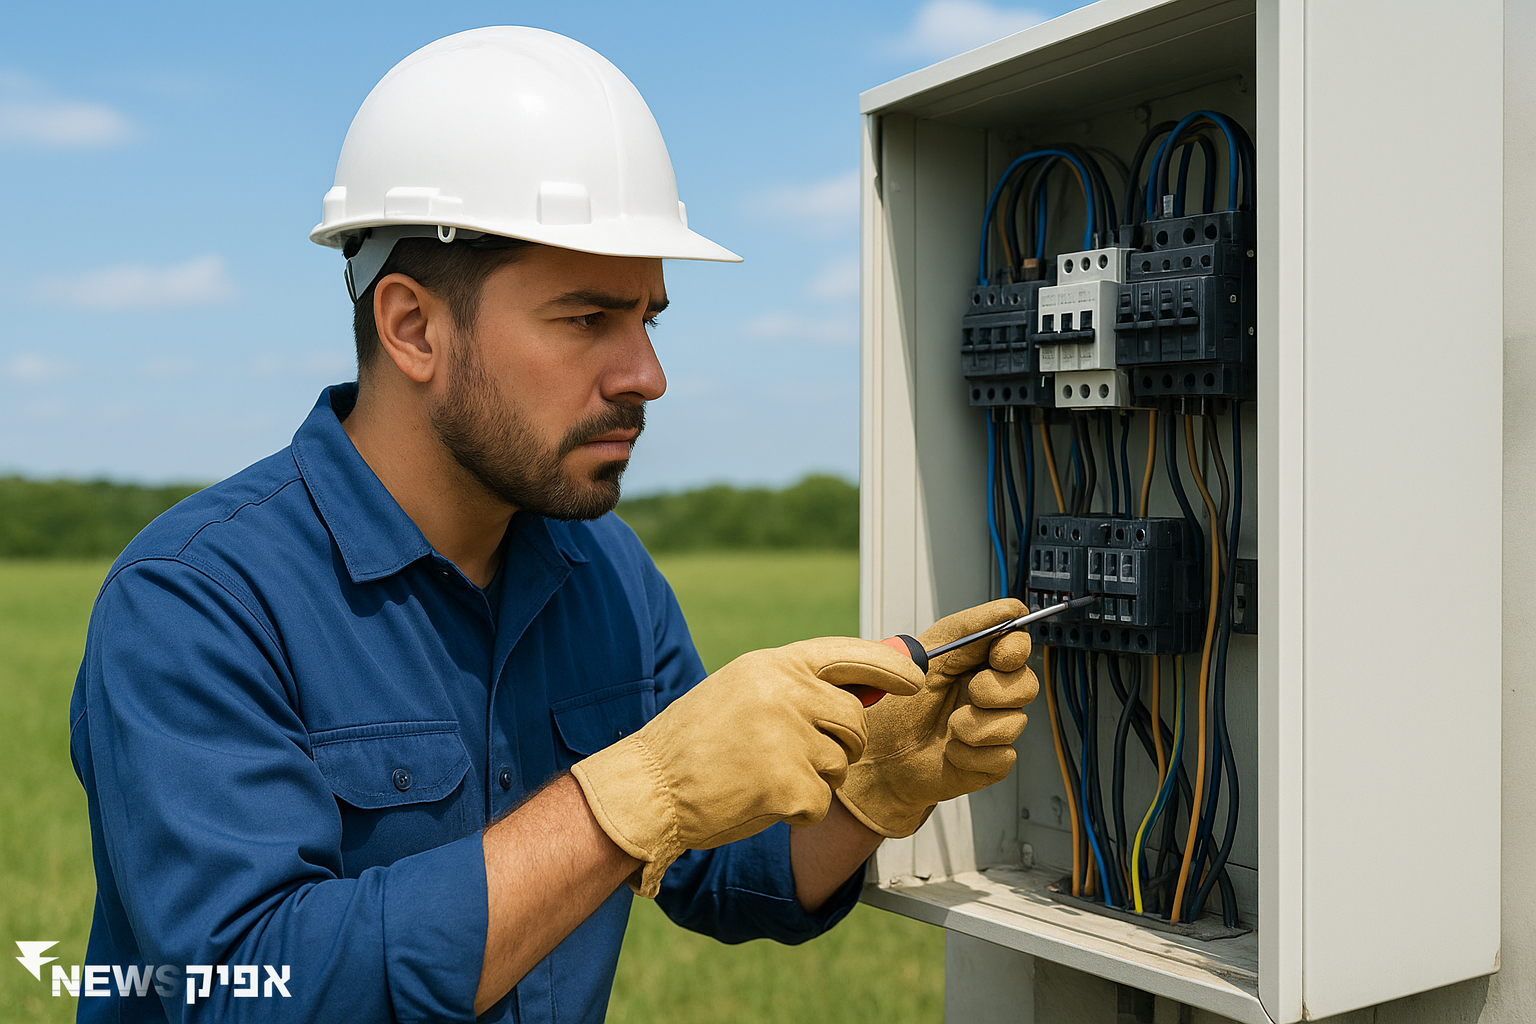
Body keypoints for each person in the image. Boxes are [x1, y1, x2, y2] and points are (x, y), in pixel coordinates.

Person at [68, 27, 1038, 1024]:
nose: (646, 376)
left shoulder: (603, 571)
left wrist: (865, 794)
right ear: (412, 327)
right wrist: (627, 798)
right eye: (587, 320)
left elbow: (716, 867)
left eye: (648, 320)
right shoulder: (195, 601)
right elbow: (249, 987)